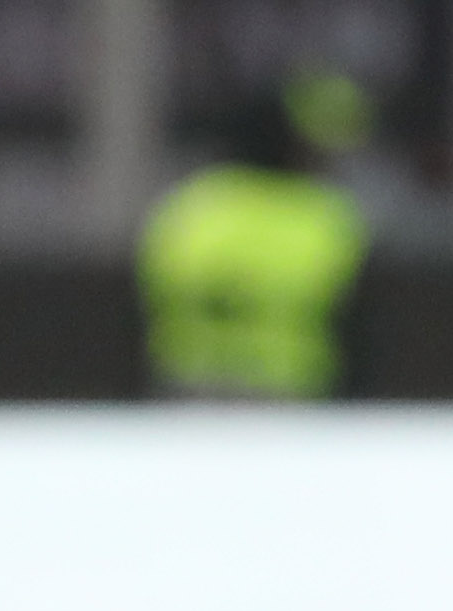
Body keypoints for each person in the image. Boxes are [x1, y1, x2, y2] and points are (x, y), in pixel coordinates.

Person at [138, 69, 373, 399]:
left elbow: (147, 300)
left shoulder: (190, 205)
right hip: (290, 390)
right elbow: (361, 320)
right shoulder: (325, 218)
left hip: (190, 387)